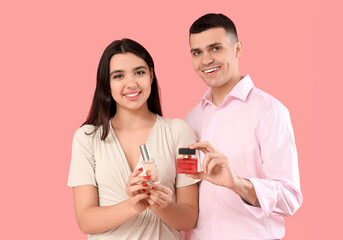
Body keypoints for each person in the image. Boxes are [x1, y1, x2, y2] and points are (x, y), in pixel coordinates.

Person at [185, 13, 303, 239]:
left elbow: (290, 198)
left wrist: (238, 184)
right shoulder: (191, 119)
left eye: (215, 48)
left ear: (237, 49)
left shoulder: (270, 112)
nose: (206, 60)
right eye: (197, 52)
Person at [67, 38, 199, 240]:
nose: (131, 83)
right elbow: (86, 221)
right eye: (118, 76)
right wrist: (132, 205)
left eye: (139, 72)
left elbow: (189, 217)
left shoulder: (181, 132)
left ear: (151, 75)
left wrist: (162, 207)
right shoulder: (86, 139)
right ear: (107, 84)